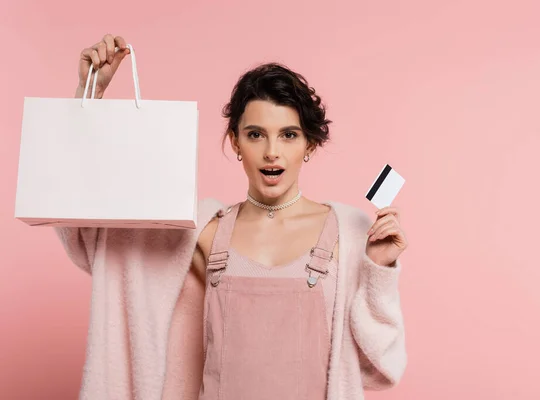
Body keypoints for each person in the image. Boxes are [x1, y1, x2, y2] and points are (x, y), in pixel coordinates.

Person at [56, 33, 408, 400]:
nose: (272, 152)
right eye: (256, 134)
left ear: (310, 144)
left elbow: (379, 369)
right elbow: (99, 242)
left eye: (288, 135)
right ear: (235, 141)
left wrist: (379, 272)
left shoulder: (350, 236)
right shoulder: (204, 231)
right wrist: (89, 95)